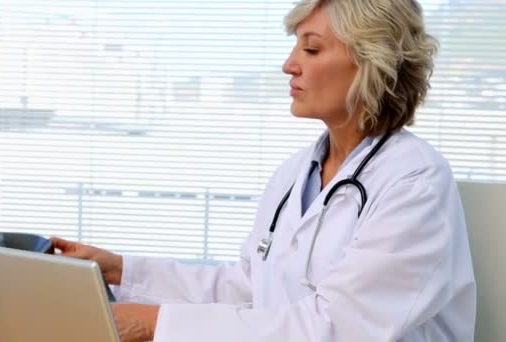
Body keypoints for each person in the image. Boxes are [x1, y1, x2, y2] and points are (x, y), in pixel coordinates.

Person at [51, 0, 476, 341]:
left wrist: (153, 323)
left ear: (373, 61)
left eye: (311, 48)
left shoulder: (415, 181)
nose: (290, 65)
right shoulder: (296, 175)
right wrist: (117, 269)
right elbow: (252, 291)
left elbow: (342, 328)